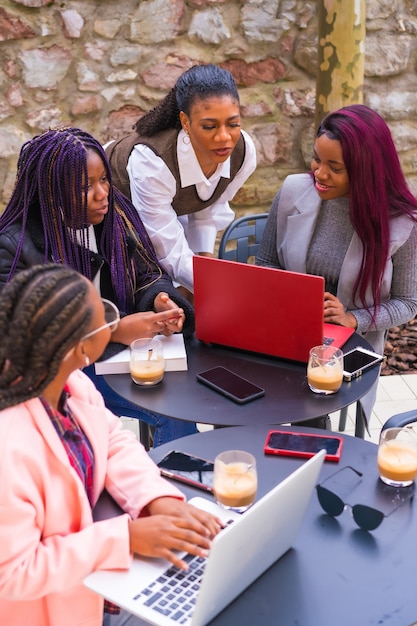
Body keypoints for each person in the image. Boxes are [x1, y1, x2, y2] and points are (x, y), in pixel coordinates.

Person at [0, 264, 222, 626]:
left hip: (94, 589)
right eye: (101, 314)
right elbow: (13, 572)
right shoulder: (9, 448)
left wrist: (157, 500)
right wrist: (126, 539)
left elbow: (113, 441)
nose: (110, 318)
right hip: (46, 611)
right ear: (83, 347)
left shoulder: (71, 385)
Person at [0, 127, 198, 446]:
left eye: (103, 179)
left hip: (117, 361)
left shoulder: (114, 217)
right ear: (51, 193)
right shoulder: (15, 247)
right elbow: (19, 342)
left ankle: (177, 485)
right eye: (85, 186)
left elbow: (148, 273)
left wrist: (160, 299)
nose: (102, 193)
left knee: (175, 405)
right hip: (58, 382)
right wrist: (114, 331)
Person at [256, 104, 417, 431]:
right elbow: (266, 263)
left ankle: (312, 457)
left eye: (335, 167)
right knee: (235, 391)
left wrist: (350, 318)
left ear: (366, 169)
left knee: (311, 400)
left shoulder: (403, 224)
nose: (319, 173)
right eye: (317, 159)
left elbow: (409, 303)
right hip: (285, 331)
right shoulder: (292, 192)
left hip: (349, 348)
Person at [105, 63, 257, 300]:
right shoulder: (152, 162)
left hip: (157, 226)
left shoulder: (243, 153)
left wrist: (205, 263)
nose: (224, 137)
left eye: (233, 123)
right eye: (209, 126)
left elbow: (207, 208)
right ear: (185, 122)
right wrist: (215, 285)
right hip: (108, 221)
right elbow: (167, 248)